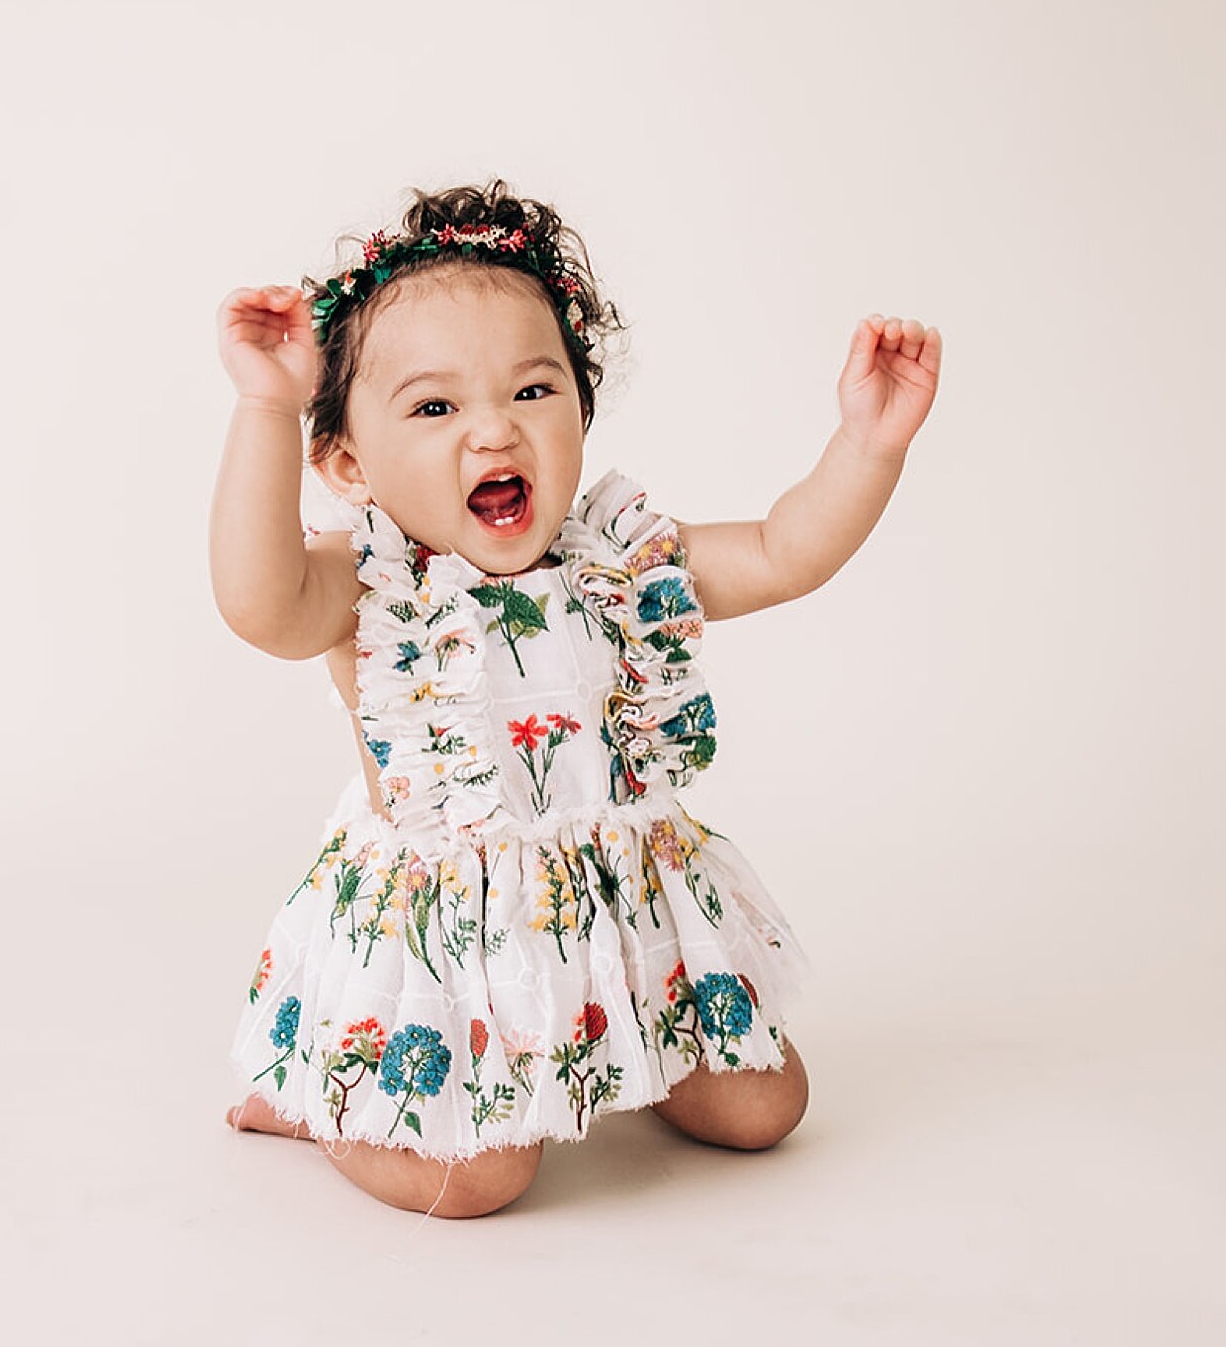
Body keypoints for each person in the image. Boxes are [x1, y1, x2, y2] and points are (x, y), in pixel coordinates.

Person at [211, 180, 942, 1218]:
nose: (494, 432)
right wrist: (264, 406)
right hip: (452, 945)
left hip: (618, 903)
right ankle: (327, 1101)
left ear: (581, 410)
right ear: (347, 461)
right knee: (474, 1179)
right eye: (433, 406)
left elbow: (784, 551)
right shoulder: (368, 581)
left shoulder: (618, 558)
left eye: (532, 390)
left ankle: (615, 1040)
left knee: (766, 1108)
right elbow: (256, 604)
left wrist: (869, 444)